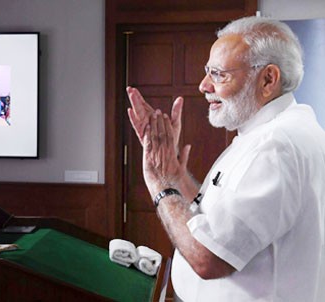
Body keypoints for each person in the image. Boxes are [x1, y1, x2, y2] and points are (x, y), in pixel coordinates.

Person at [127, 16, 325, 301]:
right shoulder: (268, 131)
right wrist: (175, 175)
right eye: (208, 72)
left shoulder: (276, 147)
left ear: (268, 79)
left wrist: (160, 185)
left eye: (219, 74)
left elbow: (209, 258)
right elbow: (223, 221)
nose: (204, 85)